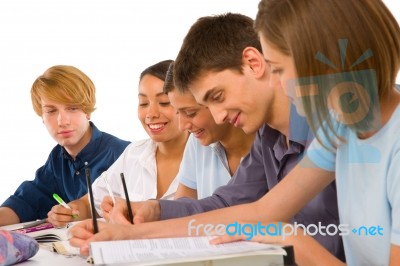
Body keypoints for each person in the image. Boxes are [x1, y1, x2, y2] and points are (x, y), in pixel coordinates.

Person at [69, 13, 345, 262]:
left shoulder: (340, 124)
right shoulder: (268, 137)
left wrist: (135, 234)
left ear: (254, 62)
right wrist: (150, 215)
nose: (219, 115)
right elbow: (231, 206)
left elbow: (264, 215)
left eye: (217, 96)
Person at [47, 60, 190, 227]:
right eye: (143, 103)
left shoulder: (207, 155)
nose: (151, 114)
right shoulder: (134, 153)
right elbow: (89, 204)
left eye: (164, 102)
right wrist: (69, 211)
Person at [0, 65, 130, 226]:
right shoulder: (57, 159)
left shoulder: (125, 154)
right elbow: (26, 202)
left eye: (72, 108)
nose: (62, 121)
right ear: (42, 117)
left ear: (87, 111)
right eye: (51, 111)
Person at [164, 62, 255, 199]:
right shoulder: (198, 141)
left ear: (218, 99)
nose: (182, 127)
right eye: (178, 113)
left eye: (190, 113)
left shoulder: (270, 144)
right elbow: (183, 208)